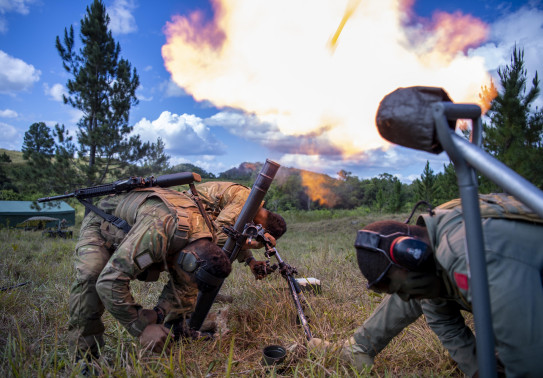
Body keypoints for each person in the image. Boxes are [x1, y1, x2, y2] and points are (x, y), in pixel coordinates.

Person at [309, 193, 543, 377]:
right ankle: (357, 349)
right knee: (416, 288)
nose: (407, 300)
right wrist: (478, 369)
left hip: (525, 296)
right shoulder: (432, 245)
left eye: (401, 291)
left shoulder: (468, 257)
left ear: (413, 252)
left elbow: (529, 360)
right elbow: (444, 321)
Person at [68, 181, 287, 360]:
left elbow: (214, 252)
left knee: (190, 281)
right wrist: (141, 329)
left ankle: (176, 327)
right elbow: (110, 282)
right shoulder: (162, 231)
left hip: (160, 227)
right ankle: (85, 356)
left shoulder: (205, 240)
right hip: (104, 222)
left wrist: (159, 313)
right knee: (92, 274)